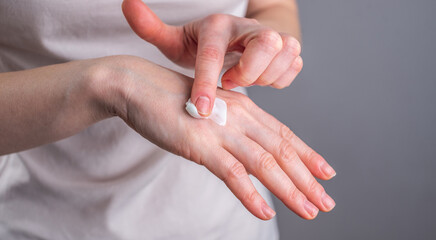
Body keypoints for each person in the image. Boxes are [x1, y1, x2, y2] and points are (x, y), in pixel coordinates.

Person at [0, 0, 336, 239]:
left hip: (218, 218)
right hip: (36, 217)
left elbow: (274, 6)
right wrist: (112, 84)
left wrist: (267, 41)